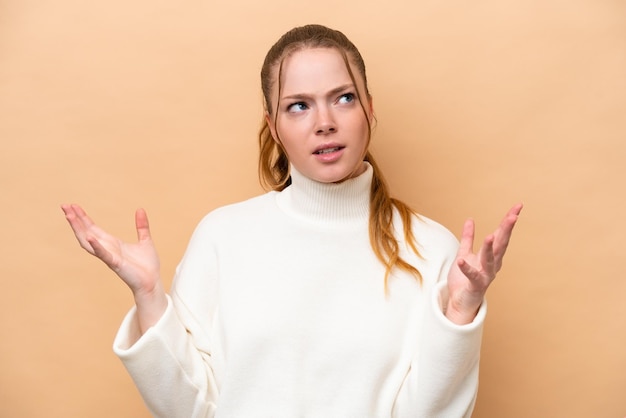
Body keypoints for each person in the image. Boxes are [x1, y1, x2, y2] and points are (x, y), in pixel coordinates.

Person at [62, 24, 522, 418]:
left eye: (343, 98)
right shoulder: (223, 236)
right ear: (273, 124)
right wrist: (148, 297)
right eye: (298, 106)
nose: (324, 122)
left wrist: (459, 316)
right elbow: (192, 407)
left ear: (370, 107)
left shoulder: (432, 248)